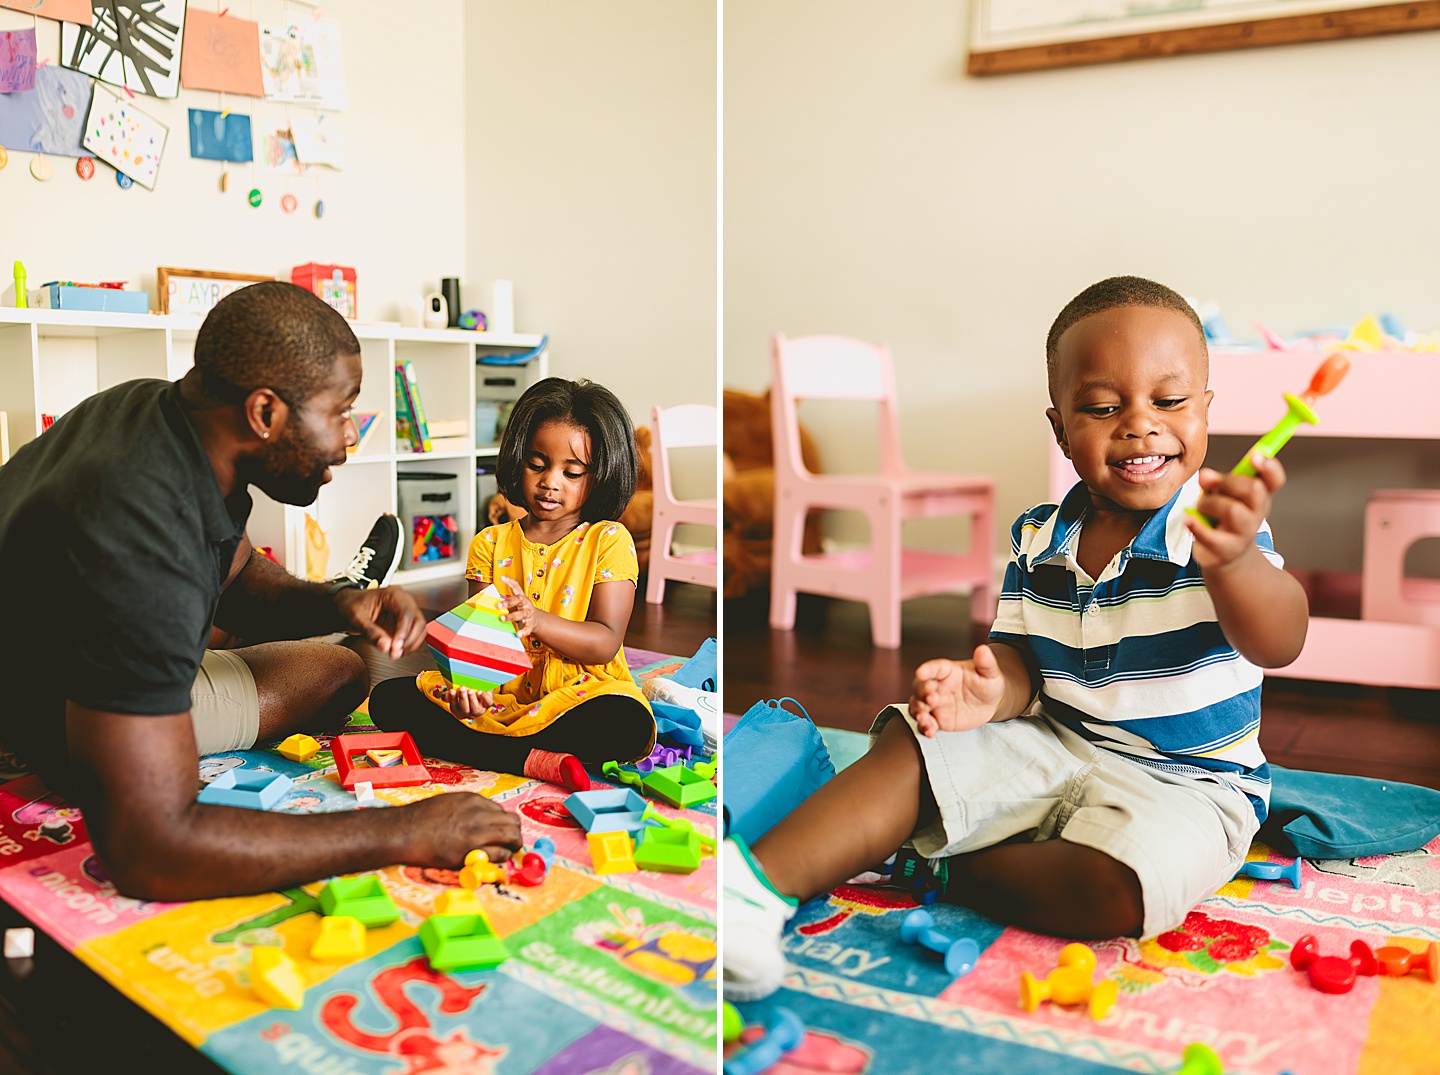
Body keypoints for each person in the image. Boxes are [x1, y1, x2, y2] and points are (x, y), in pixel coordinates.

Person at [722, 275, 1310, 1000]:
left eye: (1169, 401)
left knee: (1119, 893)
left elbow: (1280, 639)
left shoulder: (1221, 533)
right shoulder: (1039, 536)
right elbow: (1023, 660)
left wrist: (1238, 561)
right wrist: (990, 688)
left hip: (1189, 784)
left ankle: (935, 860)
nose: (1139, 424)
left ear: (1206, 412)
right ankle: (748, 890)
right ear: (1062, 428)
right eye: (1101, 407)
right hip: (1054, 737)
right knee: (913, 743)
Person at [0, 281, 521, 902]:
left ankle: (347, 587)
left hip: (58, 651)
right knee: (334, 669)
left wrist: (336, 602)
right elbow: (150, 851)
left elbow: (238, 574)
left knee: (338, 659)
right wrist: (406, 828)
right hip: (46, 723)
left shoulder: (152, 411)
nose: (350, 437)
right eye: (341, 411)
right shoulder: (140, 535)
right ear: (266, 413)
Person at [369, 377, 656, 791]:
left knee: (624, 722)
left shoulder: (608, 540)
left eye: (572, 472)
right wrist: (469, 689)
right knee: (389, 700)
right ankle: (531, 758)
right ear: (518, 459)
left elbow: (605, 642)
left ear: (599, 476)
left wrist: (536, 620)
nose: (550, 481)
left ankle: (491, 749)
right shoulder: (490, 543)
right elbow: (476, 644)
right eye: (537, 464)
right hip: (501, 697)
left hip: (575, 695)